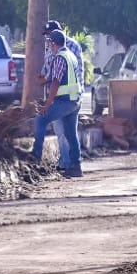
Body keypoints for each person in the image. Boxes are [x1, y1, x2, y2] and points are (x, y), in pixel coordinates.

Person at [30, 29, 82, 177]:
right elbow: (57, 78)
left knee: (41, 119)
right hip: (74, 101)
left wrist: (47, 105)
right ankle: (76, 167)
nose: (49, 47)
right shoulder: (70, 55)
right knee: (71, 134)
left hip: (65, 101)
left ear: (53, 44)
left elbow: (56, 83)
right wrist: (46, 79)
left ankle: (35, 157)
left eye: (49, 44)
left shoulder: (59, 58)